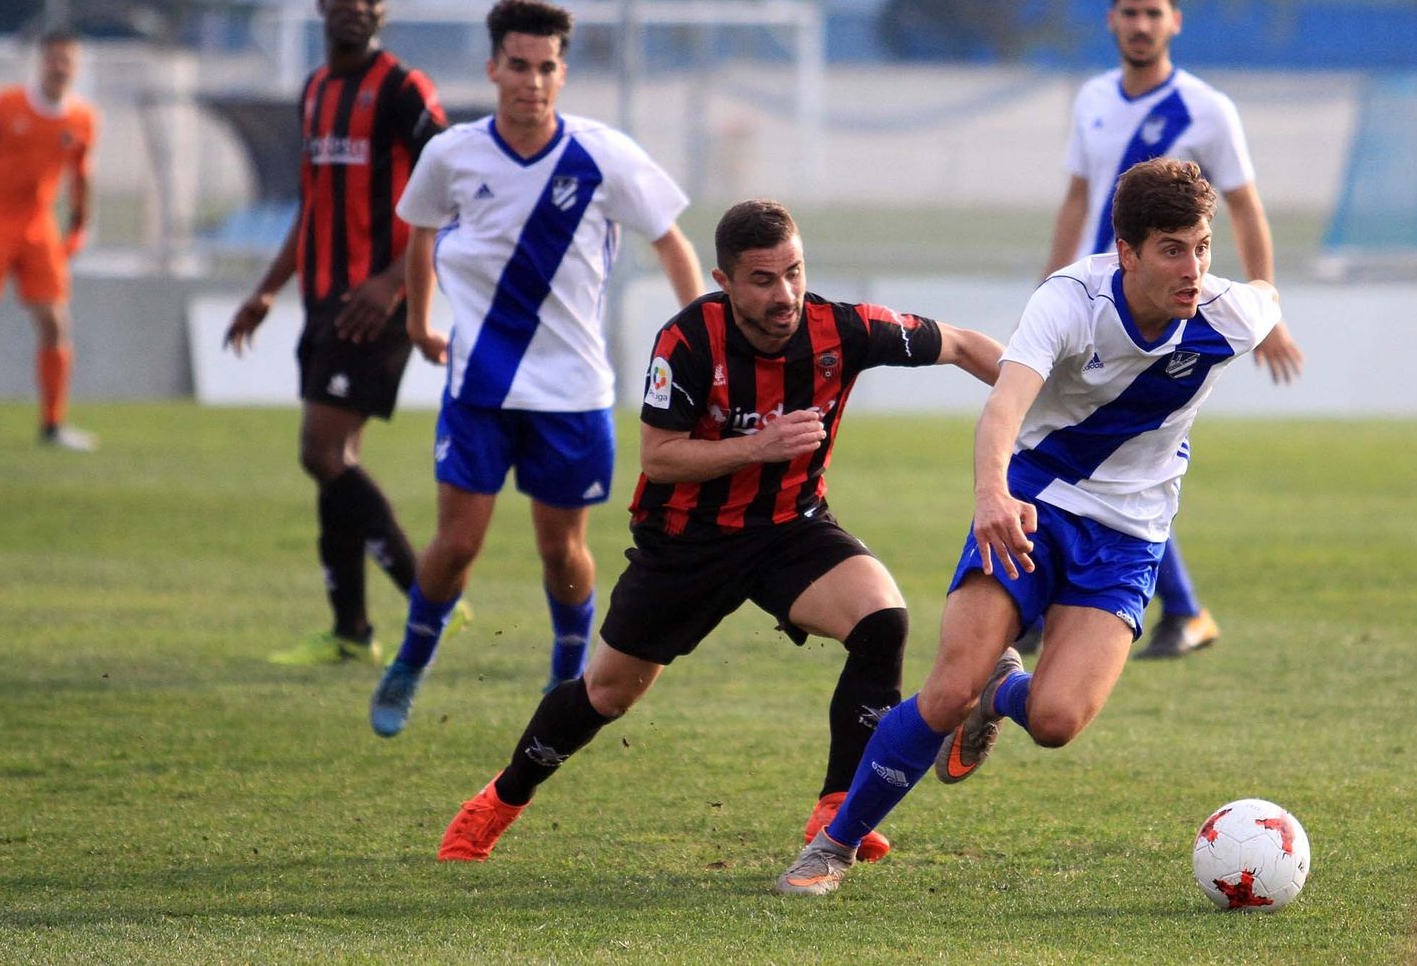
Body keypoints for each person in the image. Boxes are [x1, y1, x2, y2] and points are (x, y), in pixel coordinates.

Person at [430, 198, 1004, 865]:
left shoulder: (840, 329)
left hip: (792, 528)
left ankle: (837, 806)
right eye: (763, 279)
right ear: (725, 281)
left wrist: (1046, 398)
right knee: (609, 692)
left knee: (883, 619)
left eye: (793, 272)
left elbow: (963, 344)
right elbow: (659, 455)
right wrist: (760, 445)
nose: (785, 293)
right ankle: (501, 797)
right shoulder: (688, 341)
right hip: (686, 540)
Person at [775, 157, 1281, 895]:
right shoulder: (1070, 301)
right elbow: (1005, 407)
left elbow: (1266, 292)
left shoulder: (1227, 313)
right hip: (1029, 506)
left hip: (1129, 538)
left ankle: (1000, 694)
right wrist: (989, 493)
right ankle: (832, 846)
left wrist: (1273, 307)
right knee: (946, 690)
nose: (1194, 267)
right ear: (1128, 250)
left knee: (1055, 719)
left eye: (1203, 246)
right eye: (1173, 248)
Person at [367, 0, 706, 733]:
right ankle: (412, 656)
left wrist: (708, 338)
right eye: (517, 66)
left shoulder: (603, 155)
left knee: (564, 552)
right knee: (456, 544)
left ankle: (564, 679)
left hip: (575, 394)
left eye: (546, 67)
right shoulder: (452, 154)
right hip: (480, 387)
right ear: (492, 68)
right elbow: (421, 235)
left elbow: (673, 244)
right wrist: (422, 319)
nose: (532, 81)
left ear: (563, 72)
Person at [1033, 0, 1304, 660]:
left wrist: (1266, 307)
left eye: (1155, 13)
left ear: (1174, 21)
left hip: (1157, 319)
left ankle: (1133, 608)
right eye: (1131, 12)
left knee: (1117, 453)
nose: (1142, 25)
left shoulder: (1207, 110)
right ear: (1112, 18)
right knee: (1097, 453)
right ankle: (1169, 609)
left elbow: (1244, 205)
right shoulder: (1091, 97)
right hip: (1093, 308)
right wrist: (1047, 290)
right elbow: (1074, 197)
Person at [223, 0, 449, 667]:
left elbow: (455, 191)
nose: (357, 4)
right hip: (324, 300)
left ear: (382, 11)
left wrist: (394, 282)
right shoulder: (316, 89)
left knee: (320, 450)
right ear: (322, 4)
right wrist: (267, 287)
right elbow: (313, 204)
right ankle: (351, 629)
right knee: (333, 459)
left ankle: (428, 596)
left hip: (375, 303)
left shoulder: (404, 89)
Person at [0, 30, 99, 451]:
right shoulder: (8, 105)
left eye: (68, 61)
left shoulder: (81, 119)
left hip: (38, 226)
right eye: (54, 59)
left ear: (76, 68)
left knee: (55, 322)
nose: (60, 67)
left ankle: (52, 424)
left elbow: (81, 175)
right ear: (41, 62)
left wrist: (79, 225)